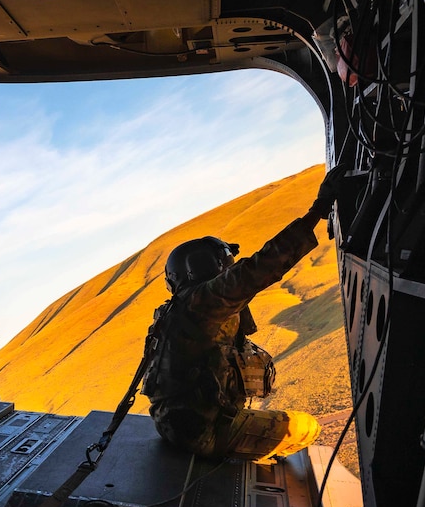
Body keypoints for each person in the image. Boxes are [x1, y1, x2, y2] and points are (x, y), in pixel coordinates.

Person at [141, 166, 347, 464]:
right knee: (306, 427)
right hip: (204, 432)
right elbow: (258, 269)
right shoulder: (206, 302)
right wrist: (317, 211)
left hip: (173, 425)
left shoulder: (177, 310)